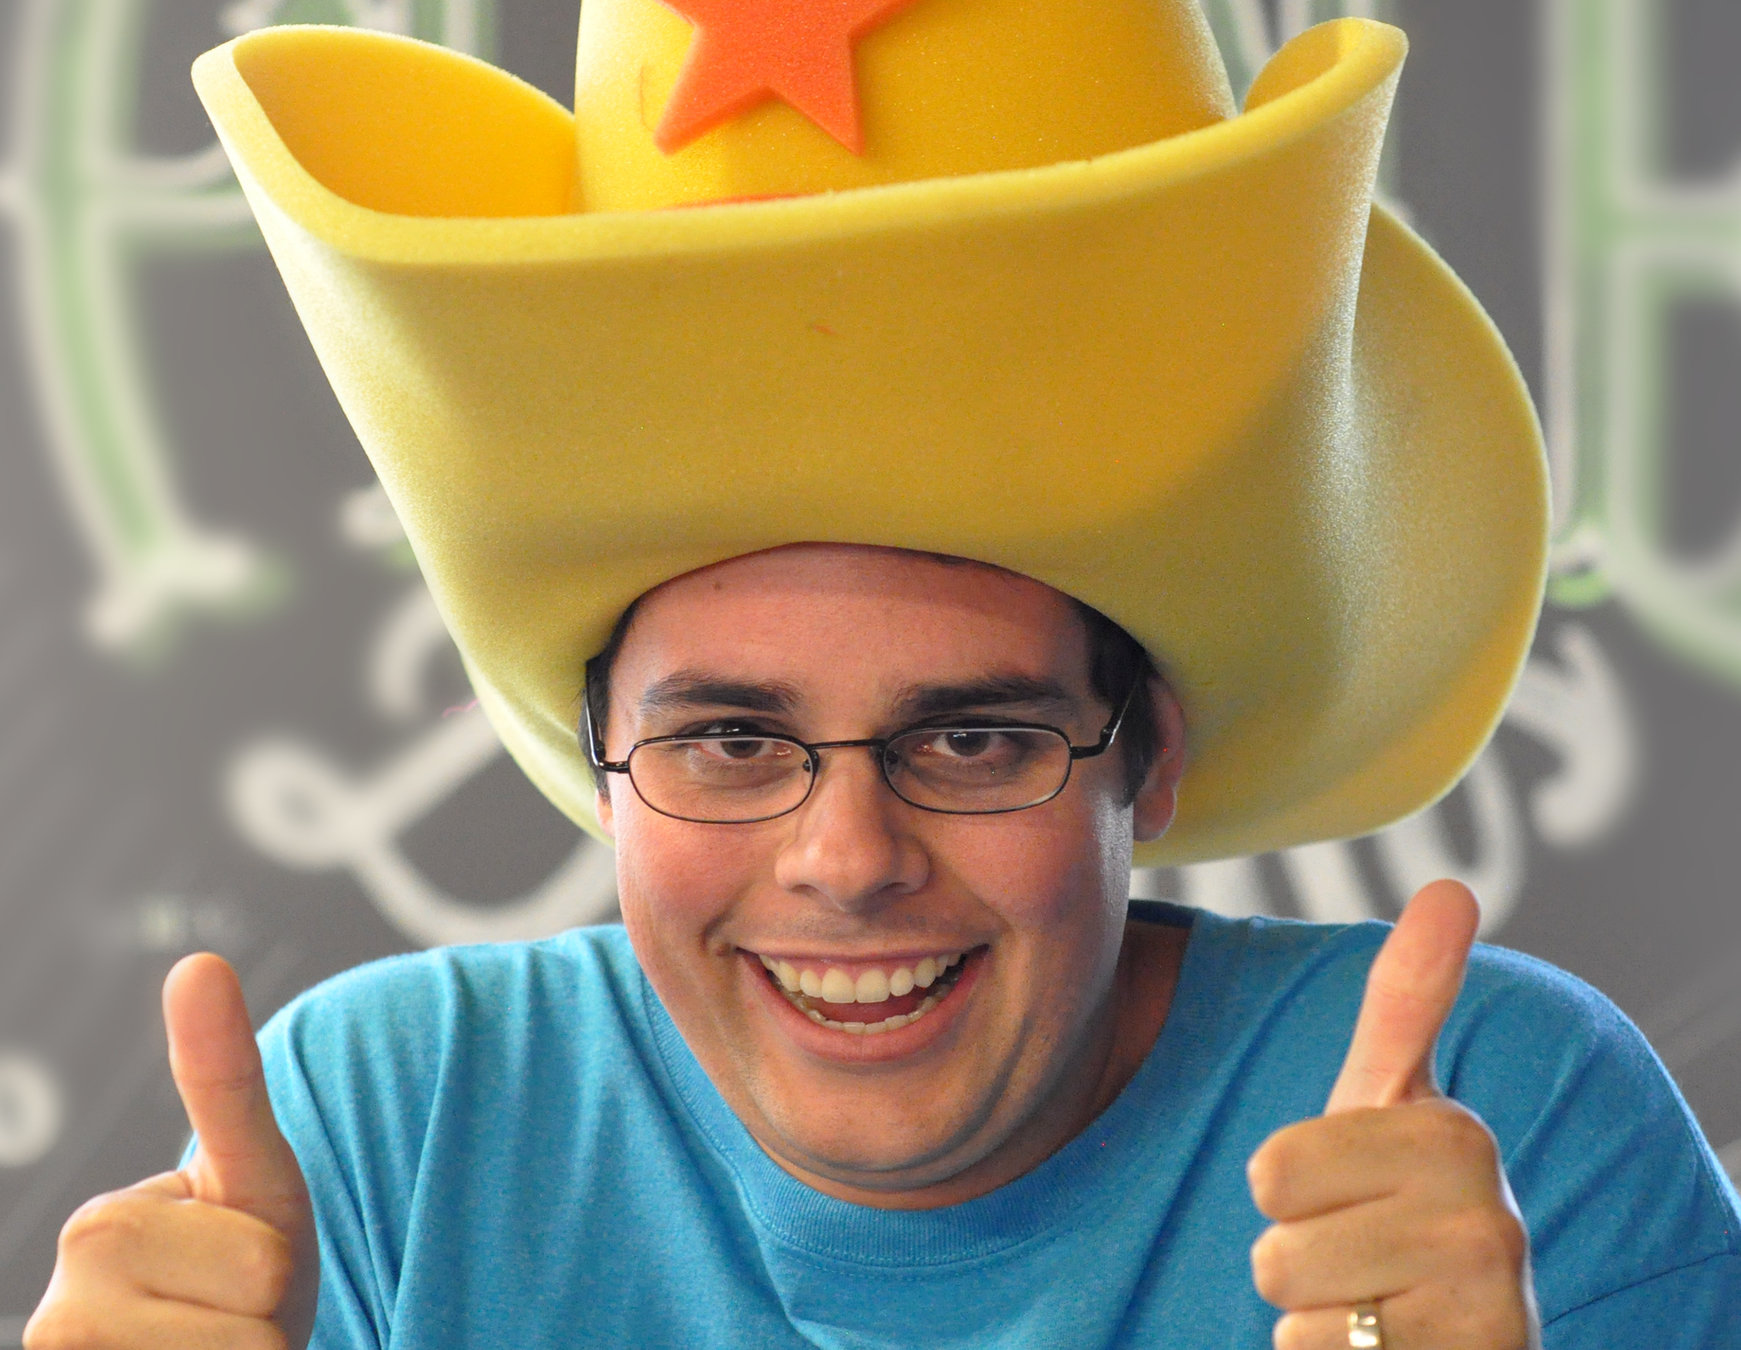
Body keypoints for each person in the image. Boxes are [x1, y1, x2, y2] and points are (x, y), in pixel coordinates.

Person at [25, 2, 1741, 1347]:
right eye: (727, 738)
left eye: (975, 738)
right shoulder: (374, 1130)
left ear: (1146, 757)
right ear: (599, 753)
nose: (845, 860)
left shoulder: (1498, 1125)